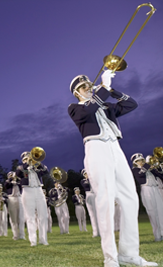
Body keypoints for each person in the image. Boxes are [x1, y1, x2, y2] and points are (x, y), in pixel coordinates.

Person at [68, 70, 156, 267]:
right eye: (83, 87)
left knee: (130, 199)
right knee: (105, 201)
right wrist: (104, 88)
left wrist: (112, 90)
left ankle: (129, 254)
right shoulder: (75, 108)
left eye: (89, 85)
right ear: (76, 93)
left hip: (116, 148)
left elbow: (132, 104)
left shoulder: (105, 106)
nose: (88, 88)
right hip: (96, 148)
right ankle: (110, 258)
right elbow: (89, 111)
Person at [16, 151, 49, 246]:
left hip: (39, 190)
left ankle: (43, 239)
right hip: (27, 191)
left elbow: (46, 171)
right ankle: (33, 240)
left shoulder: (37, 168)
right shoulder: (21, 168)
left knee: (43, 216)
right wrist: (27, 164)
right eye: (26, 159)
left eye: (30, 158)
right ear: (23, 160)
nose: (29, 160)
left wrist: (38, 162)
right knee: (30, 217)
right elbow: (18, 173)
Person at [131, 153, 163, 242]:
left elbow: (161, 176)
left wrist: (158, 168)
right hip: (146, 190)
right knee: (152, 213)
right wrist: (147, 166)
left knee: (161, 211)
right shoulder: (135, 170)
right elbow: (140, 175)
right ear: (135, 162)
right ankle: (157, 236)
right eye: (139, 161)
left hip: (156, 189)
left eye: (142, 160)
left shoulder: (150, 169)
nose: (141, 162)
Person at [5, 171, 25, 240]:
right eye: (10, 175)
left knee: (21, 218)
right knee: (13, 219)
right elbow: (6, 185)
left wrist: (18, 177)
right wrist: (11, 178)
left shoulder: (18, 182)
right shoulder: (8, 183)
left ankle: (22, 235)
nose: (13, 176)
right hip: (11, 199)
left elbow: (23, 184)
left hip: (20, 198)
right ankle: (15, 235)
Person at [81, 170, 99, 238]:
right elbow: (86, 186)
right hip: (88, 195)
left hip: (94, 195)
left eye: (88, 173)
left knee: (97, 214)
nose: (87, 175)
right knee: (92, 215)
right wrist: (89, 178)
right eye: (86, 174)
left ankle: (100, 231)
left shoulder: (93, 180)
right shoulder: (83, 181)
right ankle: (95, 232)